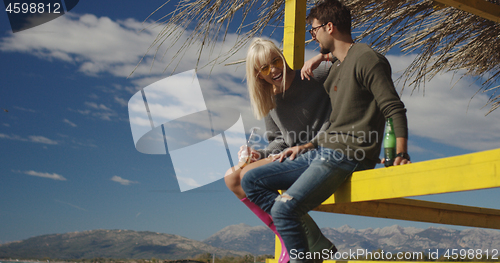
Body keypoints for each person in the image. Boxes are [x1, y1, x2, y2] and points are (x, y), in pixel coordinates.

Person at [241, 1, 411, 262]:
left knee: (285, 209)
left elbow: (393, 108)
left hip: (347, 154)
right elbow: (338, 123)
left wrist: (400, 153)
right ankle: (314, 246)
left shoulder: (368, 59)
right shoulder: (338, 68)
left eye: (314, 31)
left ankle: (308, 256)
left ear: (328, 27)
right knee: (249, 180)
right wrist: (306, 146)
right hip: (324, 151)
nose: (312, 36)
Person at [224, 38, 335, 263]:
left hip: (319, 150)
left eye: (275, 60)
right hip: (293, 155)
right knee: (232, 177)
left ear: (281, 57)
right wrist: (259, 154)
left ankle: (307, 241)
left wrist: (323, 57)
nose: (274, 69)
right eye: (265, 67)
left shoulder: (313, 74)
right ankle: (291, 238)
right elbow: (278, 141)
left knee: (248, 177)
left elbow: (348, 59)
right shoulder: (269, 97)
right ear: (258, 74)